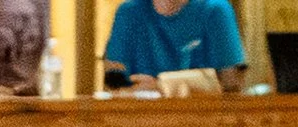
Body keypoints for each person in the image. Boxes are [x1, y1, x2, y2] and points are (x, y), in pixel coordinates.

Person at [102, 0, 247, 91]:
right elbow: (114, 84)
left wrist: (162, 86)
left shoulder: (215, 9)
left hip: (203, 123)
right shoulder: (128, 12)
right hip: (139, 123)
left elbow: (231, 83)